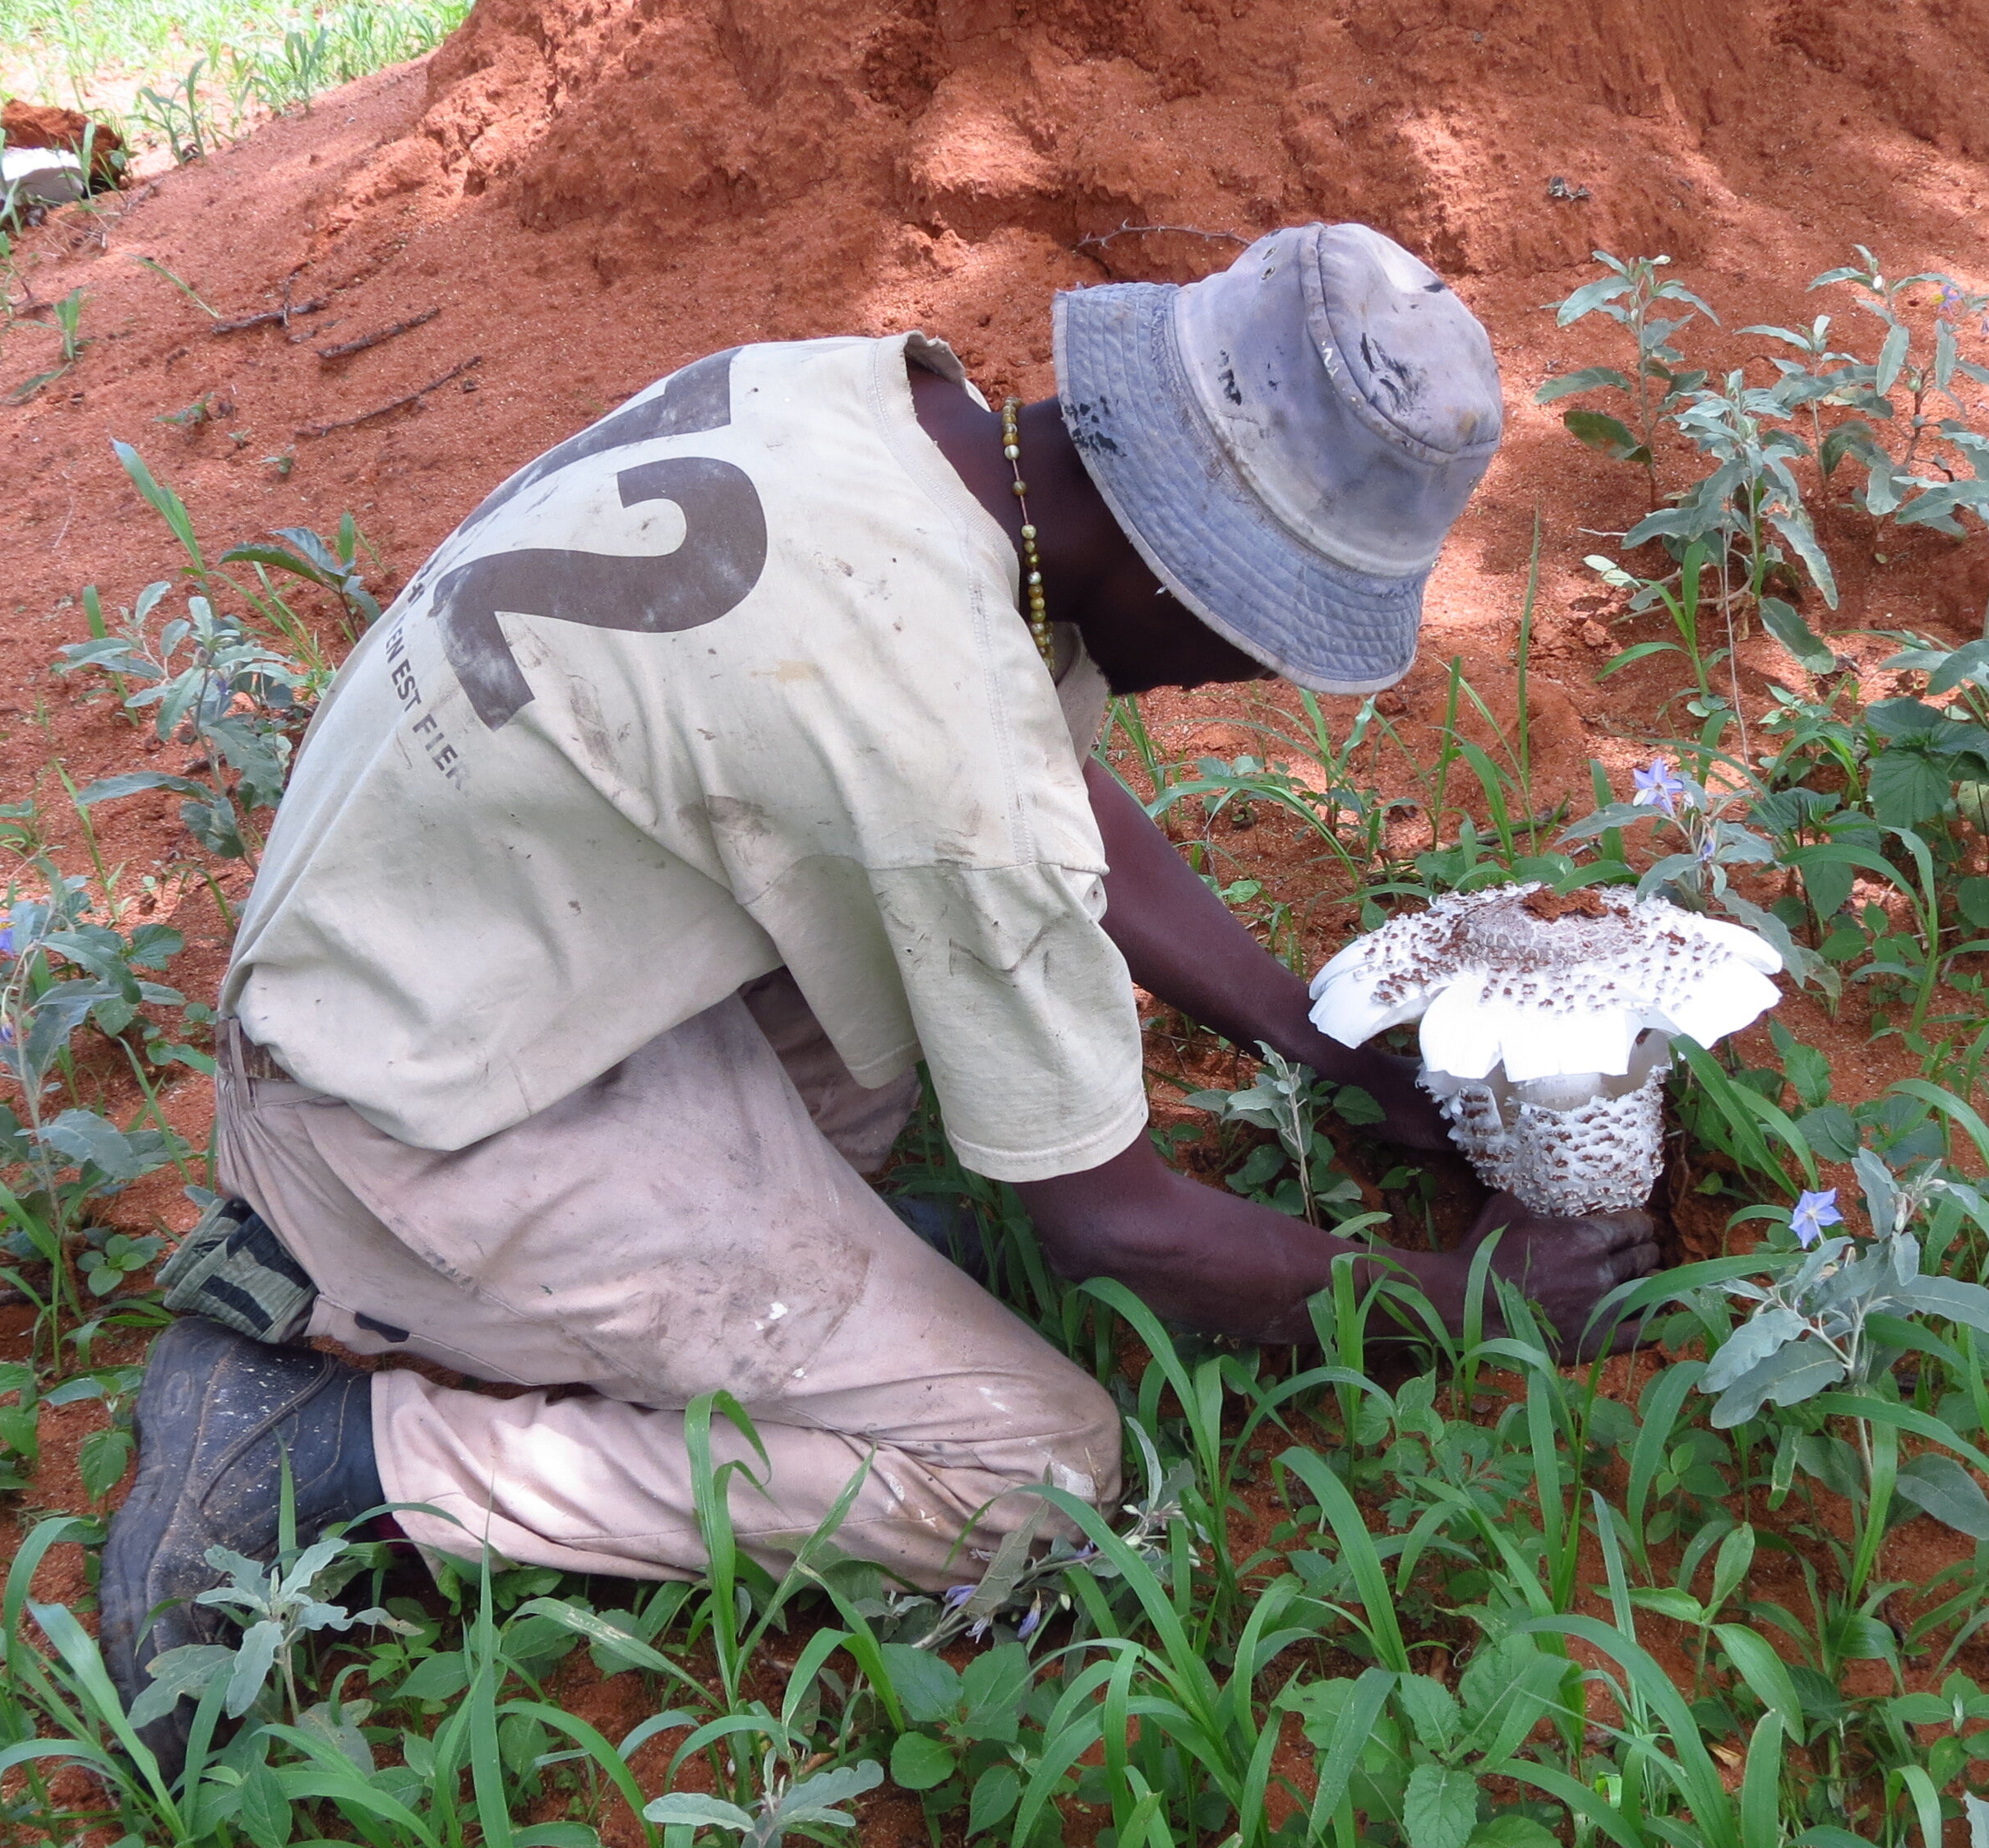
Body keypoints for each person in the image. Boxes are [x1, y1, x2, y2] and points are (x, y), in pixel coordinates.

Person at [98, 222, 1666, 1737]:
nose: (1241, 678)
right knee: (1035, 1481)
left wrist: (1314, 1038)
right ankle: (357, 1452)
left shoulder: (883, 413)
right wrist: (1466, 1305)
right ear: (1181, 576)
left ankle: (712, 1284)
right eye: (1262, 635)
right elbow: (1115, 1220)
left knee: (942, 961)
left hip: (461, 972)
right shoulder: (948, 735)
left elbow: (1023, 786)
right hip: (408, 1128)